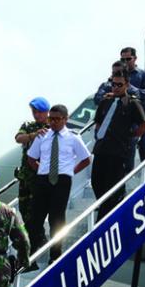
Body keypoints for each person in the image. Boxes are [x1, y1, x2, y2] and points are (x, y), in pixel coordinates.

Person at [25, 105, 91, 264]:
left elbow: (86, 159)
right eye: (50, 119)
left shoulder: (73, 138)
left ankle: (55, 254)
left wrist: (71, 171)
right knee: (36, 217)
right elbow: (31, 157)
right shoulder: (43, 136)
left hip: (62, 180)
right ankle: (32, 253)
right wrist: (40, 169)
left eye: (56, 119)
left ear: (65, 119)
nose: (53, 122)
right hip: (43, 179)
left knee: (57, 218)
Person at [91, 73, 145, 219]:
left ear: (127, 85)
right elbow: (98, 121)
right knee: (96, 182)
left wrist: (129, 136)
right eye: (113, 84)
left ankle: (103, 220)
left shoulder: (132, 103)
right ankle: (105, 211)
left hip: (118, 152)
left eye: (119, 85)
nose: (115, 88)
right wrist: (99, 133)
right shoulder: (106, 101)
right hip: (101, 149)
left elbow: (144, 127)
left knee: (112, 188)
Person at [13, 97, 50, 222]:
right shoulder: (28, 126)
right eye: (34, 112)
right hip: (26, 176)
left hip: (41, 175)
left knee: (38, 210)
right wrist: (33, 135)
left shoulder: (52, 127)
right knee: (24, 208)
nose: (36, 115)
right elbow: (18, 138)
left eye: (39, 112)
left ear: (47, 112)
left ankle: (38, 237)